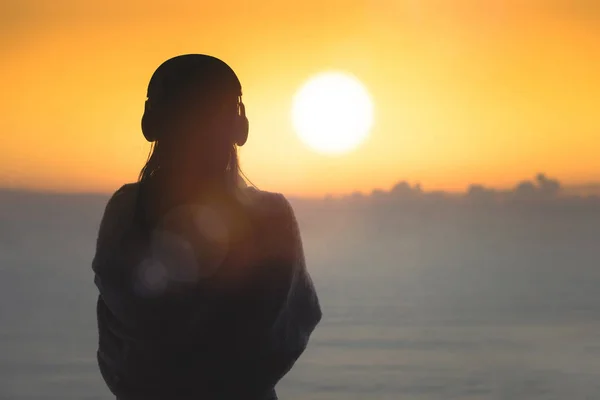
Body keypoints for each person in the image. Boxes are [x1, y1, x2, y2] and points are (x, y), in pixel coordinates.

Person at [92, 54, 322, 400]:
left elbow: (119, 341)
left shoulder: (125, 212)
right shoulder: (271, 217)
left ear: (152, 123)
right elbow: (288, 330)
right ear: (237, 126)